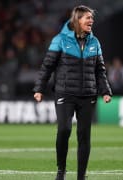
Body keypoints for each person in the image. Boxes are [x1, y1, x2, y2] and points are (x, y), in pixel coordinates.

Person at [32, 5, 112, 180]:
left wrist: (105, 91)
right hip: (65, 93)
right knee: (64, 130)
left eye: (92, 18)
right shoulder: (59, 40)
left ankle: (81, 176)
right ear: (77, 20)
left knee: (84, 136)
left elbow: (100, 70)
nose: (91, 21)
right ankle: (61, 170)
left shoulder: (95, 42)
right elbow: (47, 66)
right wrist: (39, 88)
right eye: (87, 18)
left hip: (88, 95)